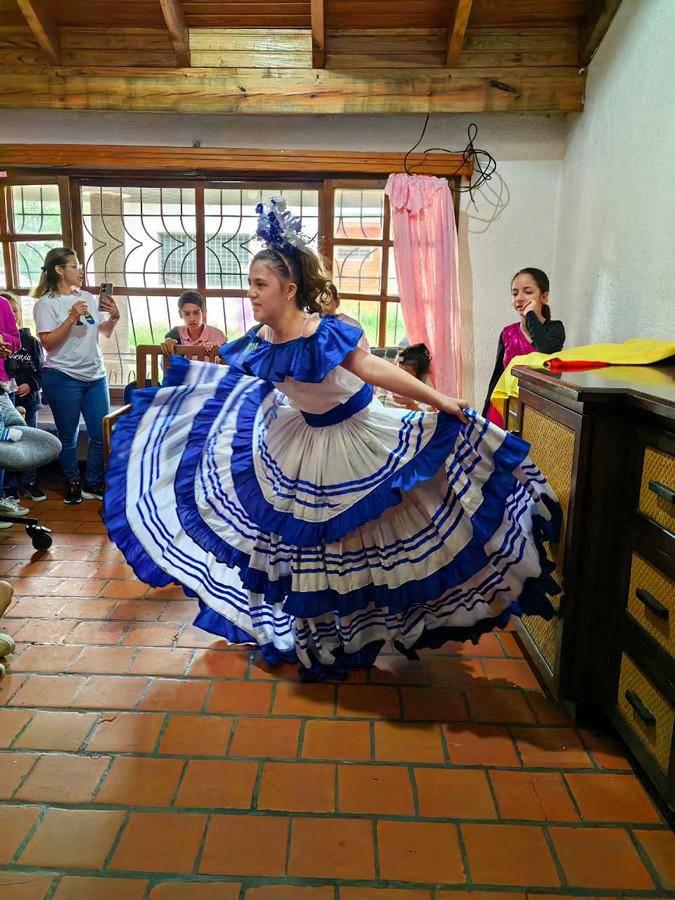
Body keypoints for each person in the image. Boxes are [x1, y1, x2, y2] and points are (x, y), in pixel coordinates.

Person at [105, 198, 561, 681]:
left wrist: (440, 400)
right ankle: (320, 637)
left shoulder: (324, 331)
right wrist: (183, 409)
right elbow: (251, 385)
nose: (252, 294)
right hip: (302, 442)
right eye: (251, 285)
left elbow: (374, 369)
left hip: (359, 434)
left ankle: (380, 623)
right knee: (309, 546)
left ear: (289, 288)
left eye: (260, 285)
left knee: (387, 528)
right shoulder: (259, 339)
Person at [33, 247, 120, 504]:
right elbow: (48, 343)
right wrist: (71, 316)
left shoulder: (88, 297)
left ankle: (92, 483)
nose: (80, 271)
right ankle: (73, 481)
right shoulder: (46, 303)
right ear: (59, 270)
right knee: (68, 435)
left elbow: (102, 331)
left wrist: (114, 316)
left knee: (99, 433)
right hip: (62, 376)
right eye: (74, 266)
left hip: (95, 375)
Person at [483, 268, 565, 424]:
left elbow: (545, 349)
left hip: (538, 414)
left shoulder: (555, 329)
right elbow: (497, 376)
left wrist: (530, 314)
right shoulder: (507, 333)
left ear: (544, 296)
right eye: (515, 293)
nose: (519, 298)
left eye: (527, 292)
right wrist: (484, 417)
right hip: (504, 412)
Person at [2, 294, 46, 501]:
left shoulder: (30, 342)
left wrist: (30, 385)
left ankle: (30, 482)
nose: (11, 314)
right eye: (7, 310)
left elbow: (41, 371)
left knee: (29, 439)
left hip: (28, 399)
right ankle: (10, 488)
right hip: (8, 398)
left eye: (15, 310)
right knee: (8, 443)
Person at [160, 290, 226, 356]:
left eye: (196, 313)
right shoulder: (175, 334)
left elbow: (228, 361)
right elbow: (166, 363)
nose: (192, 319)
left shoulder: (217, 336)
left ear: (204, 312)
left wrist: (217, 353)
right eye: (187, 314)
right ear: (180, 314)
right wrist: (167, 343)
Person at [320, 282, 370, 351]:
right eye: (317, 304)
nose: (322, 309)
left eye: (326, 303)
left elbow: (363, 356)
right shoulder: (309, 327)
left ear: (337, 302)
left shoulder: (353, 326)